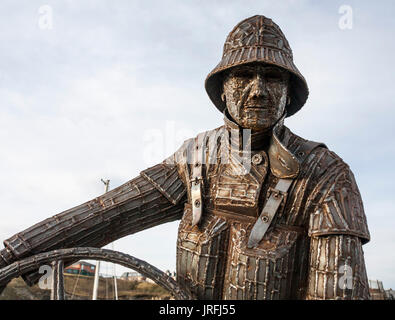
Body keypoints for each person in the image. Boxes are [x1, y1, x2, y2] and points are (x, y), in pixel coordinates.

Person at [0, 15, 370, 299]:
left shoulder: (325, 174)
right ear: (223, 90)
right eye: (244, 75)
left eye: (271, 77)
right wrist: (11, 254)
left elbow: (339, 288)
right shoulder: (195, 160)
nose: (257, 90)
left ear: (289, 93)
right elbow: (108, 213)